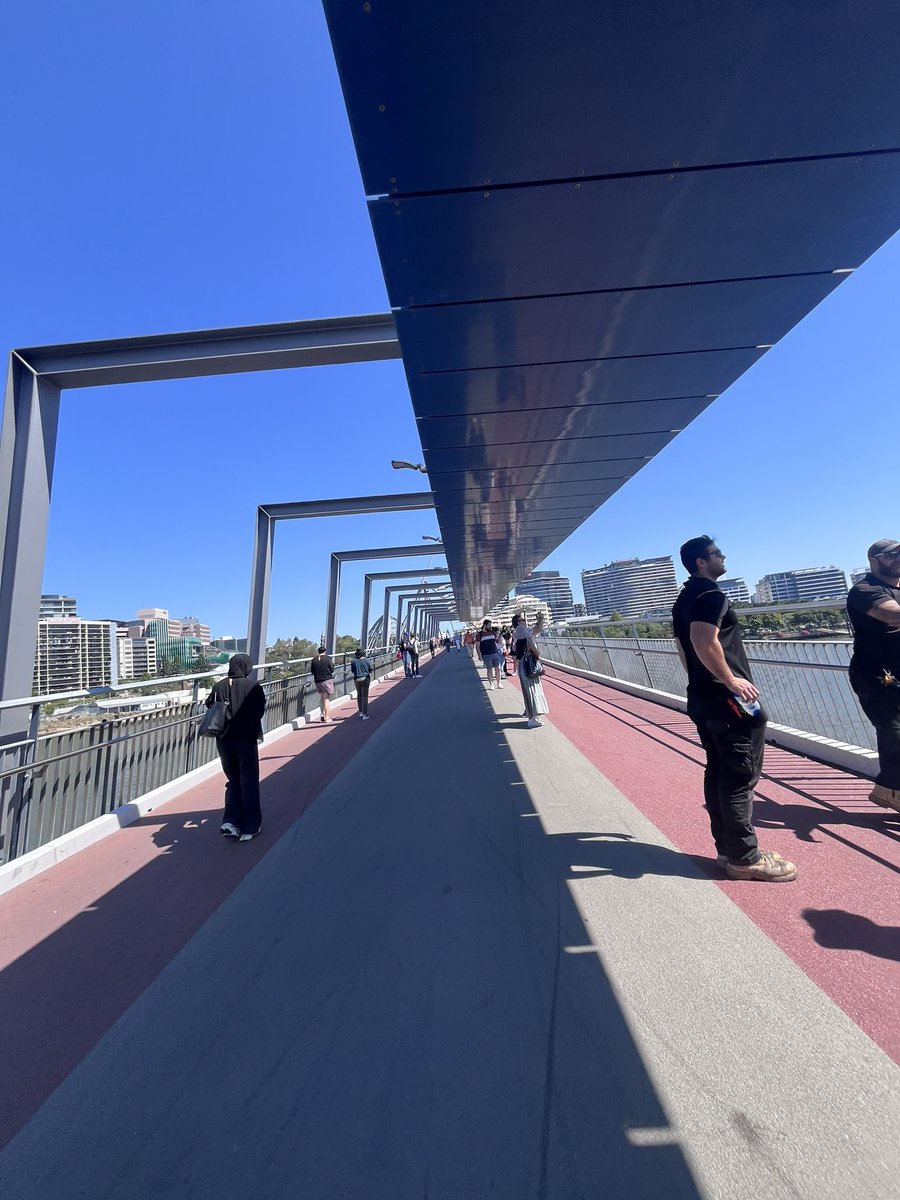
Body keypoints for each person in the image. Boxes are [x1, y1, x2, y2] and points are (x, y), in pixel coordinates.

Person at [672, 536, 797, 881]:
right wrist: (730, 681)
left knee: (718, 772)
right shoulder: (710, 594)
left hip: (702, 697)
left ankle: (728, 849)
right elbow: (702, 640)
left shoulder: (684, 597)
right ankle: (745, 857)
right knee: (740, 776)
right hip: (728, 702)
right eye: (716, 553)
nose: (723, 557)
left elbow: (683, 648)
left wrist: (702, 680)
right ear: (701, 561)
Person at [847, 538, 900, 813]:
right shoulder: (865, 590)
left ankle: (886, 790)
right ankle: (891, 792)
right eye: (892, 554)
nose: (899, 558)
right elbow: (892, 616)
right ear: (874, 560)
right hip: (877, 675)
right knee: (894, 731)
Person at [206, 653, 266, 842]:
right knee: (248, 781)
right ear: (247, 667)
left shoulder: (219, 685)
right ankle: (250, 826)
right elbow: (259, 710)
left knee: (233, 780)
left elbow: (209, 704)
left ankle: (231, 821)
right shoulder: (253, 686)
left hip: (224, 741)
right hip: (245, 740)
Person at [512, 610, 549, 728]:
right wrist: (541, 619)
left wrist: (539, 620)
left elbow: (537, 629)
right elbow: (537, 653)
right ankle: (532, 718)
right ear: (518, 623)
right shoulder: (527, 639)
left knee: (527, 691)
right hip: (530, 666)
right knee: (533, 690)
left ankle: (530, 714)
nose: (524, 621)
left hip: (522, 666)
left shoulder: (516, 638)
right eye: (521, 620)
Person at [310, 645, 335, 722]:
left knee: (321, 697)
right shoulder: (328, 658)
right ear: (325, 651)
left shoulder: (314, 659)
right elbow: (332, 669)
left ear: (318, 652)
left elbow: (312, 671)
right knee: (326, 699)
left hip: (317, 681)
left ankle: (322, 714)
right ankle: (327, 717)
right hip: (326, 680)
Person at [478, 618, 503, 689]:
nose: (490, 626)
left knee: (497, 668)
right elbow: (477, 645)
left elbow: (497, 641)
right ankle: (491, 684)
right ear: (485, 625)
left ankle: (499, 683)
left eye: (490, 625)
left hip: (495, 652)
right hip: (486, 654)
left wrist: (500, 637)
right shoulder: (480, 634)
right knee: (489, 669)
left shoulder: (492, 632)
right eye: (489, 625)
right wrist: (479, 655)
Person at [350, 648, 373, 719]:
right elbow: (370, 669)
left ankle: (360, 712)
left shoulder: (353, 661)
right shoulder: (367, 660)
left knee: (359, 695)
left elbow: (353, 671)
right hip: (365, 679)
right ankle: (364, 714)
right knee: (364, 696)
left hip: (356, 679)